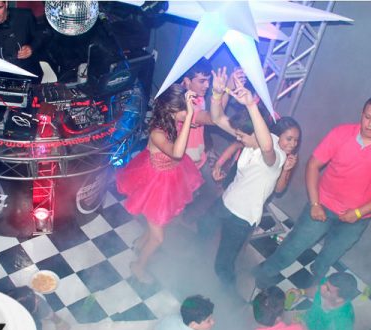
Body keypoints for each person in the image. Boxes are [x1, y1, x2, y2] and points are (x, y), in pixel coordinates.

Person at [255, 95, 371, 288]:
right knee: (294, 245)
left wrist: (358, 213)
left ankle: (314, 283)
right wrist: (315, 203)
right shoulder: (341, 134)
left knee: (329, 256)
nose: (370, 124)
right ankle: (265, 273)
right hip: (322, 206)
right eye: (367, 117)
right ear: (362, 114)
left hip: (357, 219)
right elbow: (313, 165)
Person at [210, 68, 300, 287]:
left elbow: (267, 146)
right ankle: (193, 255)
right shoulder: (251, 139)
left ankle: (229, 295)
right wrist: (216, 94)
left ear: (255, 135)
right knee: (204, 226)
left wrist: (251, 105)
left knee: (223, 264)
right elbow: (217, 118)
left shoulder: (275, 155)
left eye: (242, 135)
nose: (238, 138)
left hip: (241, 218)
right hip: (226, 202)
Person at [116, 84, 202, 283]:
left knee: (157, 221)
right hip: (156, 184)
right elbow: (177, 153)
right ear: (171, 109)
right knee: (159, 237)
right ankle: (138, 266)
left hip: (171, 178)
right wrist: (188, 118)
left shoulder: (172, 122)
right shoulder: (158, 132)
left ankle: (141, 243)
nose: (189, 112)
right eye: (185, 109)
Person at [179, 60, 246, 225]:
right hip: (182, 163)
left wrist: (227, 87)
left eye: (208, 81)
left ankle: (186, 219)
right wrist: (221, 92)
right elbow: (213, 119)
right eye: (202, 81)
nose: (207, 85)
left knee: (210, 191)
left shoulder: (196, 96)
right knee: (178, 198)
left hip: (197, 158)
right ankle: (174, 224)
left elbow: (216, 114)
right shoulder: (182, 104)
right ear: (187, 81)